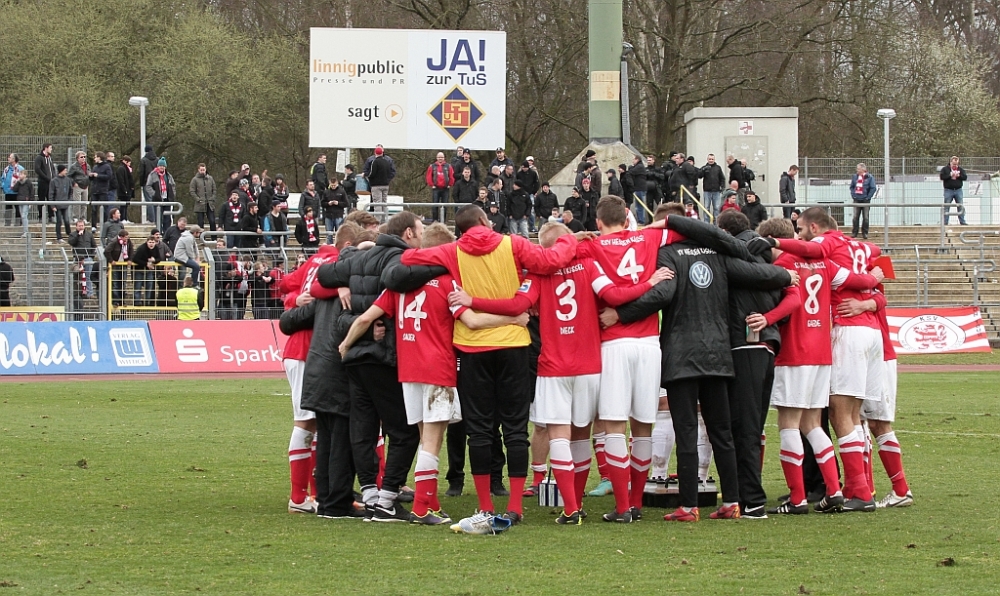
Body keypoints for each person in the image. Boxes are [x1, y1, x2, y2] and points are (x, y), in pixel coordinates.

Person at [450, 221, 672, 525]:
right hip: (591, 366)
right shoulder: (590, 266)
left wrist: (472, 301)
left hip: (554, 368)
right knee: (591, 433)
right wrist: (649, 282)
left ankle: (572, 508)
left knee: (560, 437)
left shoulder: (538, 275)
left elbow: (517, 305)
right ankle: (625, 506)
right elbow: (614, 296)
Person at [399, 204, 588, 526]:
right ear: (485, 220)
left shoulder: (452, 251)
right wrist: (570, 239)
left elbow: (409, 259)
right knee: (515, 429)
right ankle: (515, 506)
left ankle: (485, 505)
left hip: (472, 348)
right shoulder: (514, 244)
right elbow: (551, 261)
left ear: (460, 229)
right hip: (514, 344)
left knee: (479, 430)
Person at [607, 209, 795, 523]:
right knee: (721, 431)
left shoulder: (667, 254)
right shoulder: (718, 255)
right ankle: (732, 501)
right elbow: (760, 274)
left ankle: (689, 505)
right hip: (718, 355)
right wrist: (786, 277)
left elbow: (662, 294)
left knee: (686, 430)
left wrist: (621, 314)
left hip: (682, 355)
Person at [341, 223, 528, 527]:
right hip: (437, 369)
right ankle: (420, 509)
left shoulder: (399, 284)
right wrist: (514, 319)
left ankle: (431, 503)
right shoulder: (446, 283)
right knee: (432, 441)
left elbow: (364, 318)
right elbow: (473, 321)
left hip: (408, 370)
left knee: (422, 437)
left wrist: (345, 344)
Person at [314, 212, 446, 522]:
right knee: (403, 431)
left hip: (356, 358)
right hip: (384, 356)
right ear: (409, 234)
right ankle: (387, 499)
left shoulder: (361, 258)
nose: (422, 236)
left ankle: (372, 496)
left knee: (364, 430)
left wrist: (342, 287)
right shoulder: (399, 260)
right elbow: (395, 283)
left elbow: (324, 275)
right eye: (420, 230)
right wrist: (446, 263)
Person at [750, 217, 880, 515]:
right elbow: (858, 281)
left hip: (794, 351)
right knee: (812, 424)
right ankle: (834, 490)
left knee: (788, 425)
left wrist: (767, 319)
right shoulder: (826, 264)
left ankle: (797, 499)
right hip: (822, 353)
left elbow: (793, 301)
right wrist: (873, 277)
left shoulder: (784, 263)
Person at [280, 224, 361, 518]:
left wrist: (292, 300)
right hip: (308, 347)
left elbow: (288, 285)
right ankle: (299, 496)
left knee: (318, 423)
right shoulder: (334, 263)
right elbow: (306, 291)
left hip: (304, 346)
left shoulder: (316, 260)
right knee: (307, 423)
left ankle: (317, 493)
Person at [839, 289, 914, 508]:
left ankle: (900, 489)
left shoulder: (865, 275)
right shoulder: (861, 275)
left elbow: (880, 296)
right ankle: (863, 487)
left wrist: (865, 304)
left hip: (877, 354)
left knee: (877, 423)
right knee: (858, 419)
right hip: (866, 351)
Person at [144, 157, 176, 233]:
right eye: (160, 166)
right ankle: (159, 232)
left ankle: (166, 233)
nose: (162, 167)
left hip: (167, 200)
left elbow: (173, 186)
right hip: (157, 200)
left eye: (163, 166)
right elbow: (148, 186)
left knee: (167, 218)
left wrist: (172, 194)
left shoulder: (168, 176)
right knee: (158, 217)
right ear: (158, 166)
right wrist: (154, 194)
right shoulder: (152, 175)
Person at [132, 234, 165, 306]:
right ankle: (137, 302)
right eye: (150, 242)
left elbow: (159, 258)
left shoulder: (156, 248)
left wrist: (154, 260)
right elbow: (135, 259)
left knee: (149, 287)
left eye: (153, 242)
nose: (151, 244)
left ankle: (147, 302)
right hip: (139, 270)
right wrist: (146, 264)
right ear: (147, 242)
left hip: (149, 270)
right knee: (138, 287)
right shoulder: (141, 248)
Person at [104, 230, 134, 306]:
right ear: (121, 237)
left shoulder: (128, 242)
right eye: (125, 237)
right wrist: (111, 260)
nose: (127, 239)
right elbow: (106, 251)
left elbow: (131, 250)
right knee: (115, 283)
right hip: (115, 265)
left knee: (123, 283)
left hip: (124, 264)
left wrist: (130, 259)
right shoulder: (114, 242)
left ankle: (122, 300)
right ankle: (115, 300)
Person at [365, 145, 394, 217]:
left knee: (377, 204)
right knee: (384, 203)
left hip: (376, 185)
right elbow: (391, 172)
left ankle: (378, 220)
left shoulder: (375, 162)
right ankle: (384, 219)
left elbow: (372, 173)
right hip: (386, 185)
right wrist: (387, 180)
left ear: (375, 153)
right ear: (382, 152)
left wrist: (366, 175)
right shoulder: (387, 161)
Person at [850, 163, 877, 239]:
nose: (857, 170)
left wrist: (868, 197)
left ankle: (865, 233)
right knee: (855, 217)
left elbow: (873, 188)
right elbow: (852, 187)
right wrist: (853, 195)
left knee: (865, 217)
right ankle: (854, 232)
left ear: (863, 169)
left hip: (865, 200)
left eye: (858, 169)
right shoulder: (855, 177)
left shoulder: (869, 177)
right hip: (856, 199)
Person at [426, 152, 455, 221]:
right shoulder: (432, 166)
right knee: (435, 205)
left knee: (445, 205)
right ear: (436, 158)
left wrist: (450, 184)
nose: (440, 159)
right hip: (436, 188)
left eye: (441, 157)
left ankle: (443, 221)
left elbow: (452, 176)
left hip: (445, 189)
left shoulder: (448, 166)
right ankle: (435, 221)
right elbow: (428, 177)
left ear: (444, 158)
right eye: (439, 157)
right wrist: (432, 185)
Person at [48, 165, 73, 242]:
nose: (66, 171)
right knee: (59, 221)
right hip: (57, 205)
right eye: (65, 170)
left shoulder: (68, 180)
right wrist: (52, 205)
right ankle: (59, 237)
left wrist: (69, 200)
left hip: (65, 204)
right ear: (61, 171)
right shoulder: (54, 181)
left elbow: (70, 191)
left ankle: (69, 234)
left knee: (67, 220)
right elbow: (51, 194)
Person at [941, 156, 968, 225]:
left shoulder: (960, 169)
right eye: (953, 164)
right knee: (947, 206)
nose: (955, 165)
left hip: (958, 190)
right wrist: (950, 175)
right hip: (948, 190)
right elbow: (942, 177)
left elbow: (965, 177)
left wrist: (959, 176)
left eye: (956, 164)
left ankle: (962, 222)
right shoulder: (945, 169)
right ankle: (945, 222)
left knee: (960, 206)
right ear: (950, 163)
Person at [699, 154, 727, 222]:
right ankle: (706, 223)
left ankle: (716, 222)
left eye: (712, 159)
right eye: (710, 159)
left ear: (714, 159)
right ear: (707, 159)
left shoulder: (718, 168)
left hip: (716, 191)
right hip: (707, 191)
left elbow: (722, 178)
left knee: (717, 208)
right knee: (706, 208)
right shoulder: (704, 168)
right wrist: (703, 170)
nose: (711, 160)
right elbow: (699, 175)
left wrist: (722, 187)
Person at [190, 164, 217, 231]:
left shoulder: (210, 178)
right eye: (201, 170)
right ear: (198, 170)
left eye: (203, 170)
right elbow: (192, 191)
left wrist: (213, 198)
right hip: (200, 203)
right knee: (200, 222)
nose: (202, 171)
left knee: (212, 221)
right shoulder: (195, 179)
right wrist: (198, 199)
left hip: (209, 203)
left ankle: (214, 236)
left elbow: (214, 189)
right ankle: (201, 236)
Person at [34, 144, 57, 223]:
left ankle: (51, 216)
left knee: (51, 199)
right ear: (46, 148)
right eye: (50, 148)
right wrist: (46, 178)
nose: (51, 149)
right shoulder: (39, 158)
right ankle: (41, 217)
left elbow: (52, 169)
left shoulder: (49, 158)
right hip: (43, 182)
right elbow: (37, 169)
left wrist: (54, 177)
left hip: (51, 182)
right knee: (41, 199)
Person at [323, 177, 348, 243]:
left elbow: (346, 203)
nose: (333, 187)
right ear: (329, 183)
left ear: (337, 183)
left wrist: (338, 203)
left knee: (339, 234)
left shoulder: (342, 191)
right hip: (328, 215)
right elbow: (322, 203)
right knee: (329, 234)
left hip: (338, 215)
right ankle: (329, 247)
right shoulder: (326, 192)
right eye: (332, 185)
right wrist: (328, 203)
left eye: (334, 185)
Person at [3, 154, 25, 227]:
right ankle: (7, 222)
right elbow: (2, 179)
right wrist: (3, 186)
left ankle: (18, 222)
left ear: (14, 159)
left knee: (18, 207)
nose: (8, 158)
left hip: (17, 192)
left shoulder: (20, 169)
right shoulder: (6, 169)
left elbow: (24, 179)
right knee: (8, 208)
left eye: (10, 157)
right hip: (8, 192)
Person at [139, 146, 159, 224]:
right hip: (156, 183)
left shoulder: (143, 160)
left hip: (147, 182)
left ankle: (151, 219)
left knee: (149, 200)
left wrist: (141, 183)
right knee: (156, 200)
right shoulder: (157, 160)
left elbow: (141, 173)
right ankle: (157, 218)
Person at [11, 171, 34, 238]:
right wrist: (17, 182)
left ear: (25, 175)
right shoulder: (19, 183)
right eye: (20, 174)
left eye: (21, 174)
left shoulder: (28, 182)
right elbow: (14, 189)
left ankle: (26, 232)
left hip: (26, 201)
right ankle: (25, 231)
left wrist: (31, 201)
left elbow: (32, 192)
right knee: (22, 216)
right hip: (20, 200)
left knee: (24, 215)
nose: (20, 175)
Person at [627, 155, 648, 224]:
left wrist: (630, 168)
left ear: (637, 159)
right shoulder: (638, 166)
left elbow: (631, 172)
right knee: (638, 205)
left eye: (633, 159)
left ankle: (641, 220)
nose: (632, 161)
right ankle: (640, 219)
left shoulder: (639, 167)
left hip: (639, 188)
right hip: (638, 188)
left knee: (639, 206)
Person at [116, 155, 135, 223]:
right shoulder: (121, 168)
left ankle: (125, 218)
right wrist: (125, 189)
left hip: (127, 190)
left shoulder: (126, 169)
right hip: (124, 190)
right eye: (129, 162)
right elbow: (121, 180)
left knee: (126, 205)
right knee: (123, 205)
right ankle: (122, 218)